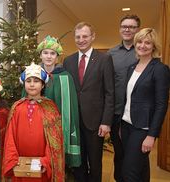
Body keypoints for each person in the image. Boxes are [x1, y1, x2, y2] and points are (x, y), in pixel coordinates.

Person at [63, 22, 115, 182]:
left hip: (95, 122)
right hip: (74, 122)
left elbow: (109, 93)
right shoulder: (68, 61)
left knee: (95, 163)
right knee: (78, 163)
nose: (81, 40)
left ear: (93, 37)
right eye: (78, 37)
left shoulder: (104, 59)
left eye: (85, 36)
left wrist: (106, 122)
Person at [121, 28, 170, 182]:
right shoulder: (131, 68)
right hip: (127, 124)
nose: (143, 45)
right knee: (141, 169)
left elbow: (161, 104)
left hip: (143, 129)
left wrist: (152, 135)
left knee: (129, 172)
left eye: (147, 42)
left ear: (154, 46)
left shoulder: (160, 69)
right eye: (140, 42)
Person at [3, 63, 65, 182]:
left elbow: (55, 141)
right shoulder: (17, 107)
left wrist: (46, 161)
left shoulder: (50, 108)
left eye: (36, 81)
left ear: (42, 85)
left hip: (41, 167)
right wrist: (13, 159)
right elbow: (10, 137)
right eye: (28, 81)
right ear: (24, 83)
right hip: (19, 165)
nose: (32, 84)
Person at [36, 35, 81, 179]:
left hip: (58, 126)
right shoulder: (33, 75)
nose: (49, 56)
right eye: (45, 52)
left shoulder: (65, 76)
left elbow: (71, 107)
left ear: (57, 57)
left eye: (52, 53)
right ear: (41, 55)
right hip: (38, 126)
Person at [107, 14, 141, 182]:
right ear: (120, 29)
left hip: (139, 115)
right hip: (117, 113)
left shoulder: (143, 51)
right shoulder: (111, 54)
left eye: (132, 27)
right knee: (119, 155)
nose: (127, 29)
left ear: (138, 30)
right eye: (124, 26)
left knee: (137, 156)